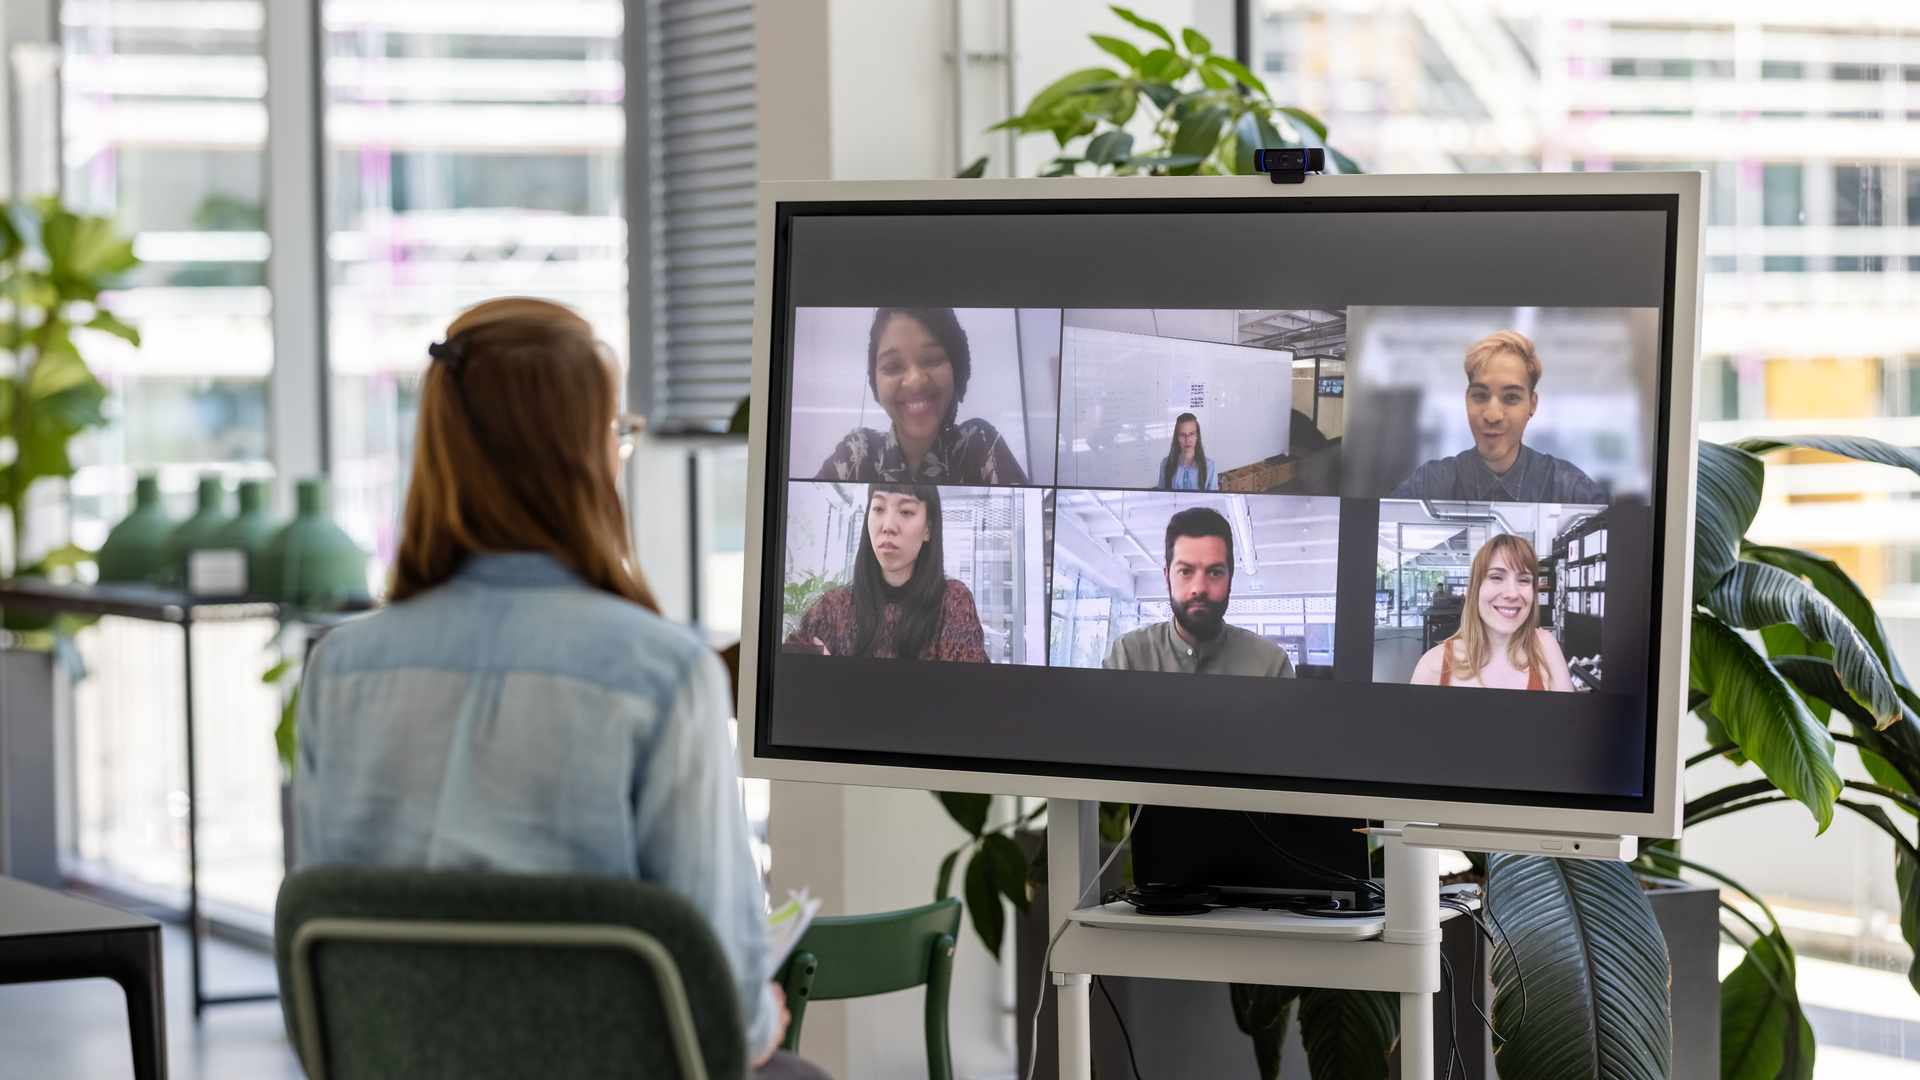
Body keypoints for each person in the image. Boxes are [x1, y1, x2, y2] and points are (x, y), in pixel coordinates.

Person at [292, 298, 825, 1080]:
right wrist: (758, 1018)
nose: (619, 454)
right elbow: (726, 1013)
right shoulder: (663, 675)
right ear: (583, 455)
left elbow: (330, 959)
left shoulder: (340, 671)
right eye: (616, 434)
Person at [813, 307, 1029, 484]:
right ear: (875, 383)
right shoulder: (858, 454)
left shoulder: (979, 444)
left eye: (933, 359)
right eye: (893, 366)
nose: (915, 380)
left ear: (956, 369)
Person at [1390, 330, 1610, 503]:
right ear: (1467, 399)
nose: (1492, 415)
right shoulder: (1429, 484)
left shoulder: (1570, 489)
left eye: (1511, 397)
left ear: (1532, 405)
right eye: (1480, 395)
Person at [788, 483, 990, 661]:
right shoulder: (832, 608)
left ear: (928, 527)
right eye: (878, 508)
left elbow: (968, 697)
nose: (888, 526)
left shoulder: (953, 603)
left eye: (906, 511)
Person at [1102, 507, 1295, 677]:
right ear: (1168, 577)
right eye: (1186, 572)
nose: (1199, 588)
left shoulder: (1270, 665)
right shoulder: (1127, 657)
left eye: (1215, 572)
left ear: (1230, 578)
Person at [1409, 533, 1573, 692]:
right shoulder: (1432, 666)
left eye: (1524, 580)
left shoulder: (1546, 647)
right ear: (1475, 588)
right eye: (1496, 577)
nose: (1512, 593)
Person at [1154, 413, 1220, 491]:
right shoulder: (1165, 464)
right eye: (1182, 435)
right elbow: (1161, 498)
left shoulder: (1210, 467)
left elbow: (1213, 501)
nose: (1187, 440)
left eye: (1191, 434)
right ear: (1177, 437)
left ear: (1197, 437)